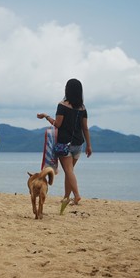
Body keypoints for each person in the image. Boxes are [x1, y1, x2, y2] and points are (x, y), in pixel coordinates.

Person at [37, 78, 92, 210]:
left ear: (67, 90)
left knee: (68, 171)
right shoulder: (83, 108)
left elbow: (57, 124)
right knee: (70, 172)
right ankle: (67, 197)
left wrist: (46, 116)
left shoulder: (62, 105)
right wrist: (89, 145)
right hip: (79, 144)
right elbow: (85, 128)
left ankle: (77, 195)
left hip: (64, 144)